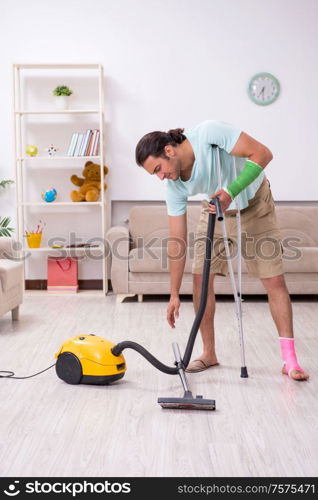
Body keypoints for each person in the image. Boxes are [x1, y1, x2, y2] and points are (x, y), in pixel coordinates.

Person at [135, 120, 309, 381]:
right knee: (200, 279)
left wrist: (231, 191)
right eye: (154, 174)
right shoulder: (174, 187)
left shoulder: (209, 134)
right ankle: (209, 353)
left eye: (158, 169)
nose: (160, 177)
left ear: (169, 151)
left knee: (274, 280)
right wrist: (172, 293)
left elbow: (263, 154)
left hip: (253, 202)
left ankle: (290, 360)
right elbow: (176, 240)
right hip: (216, 207)